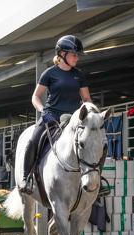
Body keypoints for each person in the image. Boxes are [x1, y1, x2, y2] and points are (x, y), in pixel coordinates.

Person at [19, 35, 92, 194]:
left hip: (73, 119)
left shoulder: (79, 75)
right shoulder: (49, 73)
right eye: (74, 54)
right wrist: (42, 111)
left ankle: (95, 182)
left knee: (92, 142)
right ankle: (25, 178)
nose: (77, 58)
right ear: (62, 54)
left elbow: (86, 99)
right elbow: (35, 96)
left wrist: (91, 114)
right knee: (33, 140)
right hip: (51, 117)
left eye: (77, 55)